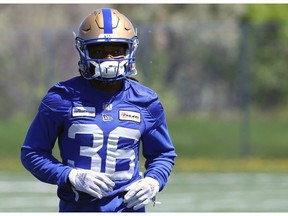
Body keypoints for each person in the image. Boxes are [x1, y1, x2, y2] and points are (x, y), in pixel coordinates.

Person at [20, 7, 176, 212]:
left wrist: (154, 181)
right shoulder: (62, 97)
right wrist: (70, 176)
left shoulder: (146, 101)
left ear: (130, 50)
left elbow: (162, 154)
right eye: (100, 51)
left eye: (117, 51)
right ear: (84, 51)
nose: (109, 59)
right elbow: (32, 153)